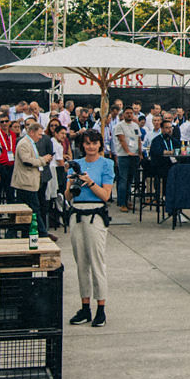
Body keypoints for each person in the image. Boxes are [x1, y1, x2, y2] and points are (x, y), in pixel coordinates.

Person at [66, 131, 114, 326]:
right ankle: (85, 307)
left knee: (97, 262)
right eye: (87, 143)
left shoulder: (106, 164)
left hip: (95, 215)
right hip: (76, 213)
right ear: (82, 145)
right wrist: (72, 182)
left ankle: (101, 308)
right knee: (81, 262)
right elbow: (68, 196)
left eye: (94, 143)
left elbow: (106, 195)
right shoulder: (77, 163)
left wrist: (90, 182)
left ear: (100, 145)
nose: (91, 147)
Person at [108, 107, 141, 213]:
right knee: (123, 179)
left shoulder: (135, 125)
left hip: (134, 156)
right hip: (123, 156)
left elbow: (138, 139)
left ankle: (128, 201)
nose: (129, 115)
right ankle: (122, 203)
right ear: (123, 115)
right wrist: (128, 152)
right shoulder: (119, 126)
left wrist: (140, 153)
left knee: (130, 180)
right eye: (127, 113)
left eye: (131, 113)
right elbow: (122, 140)